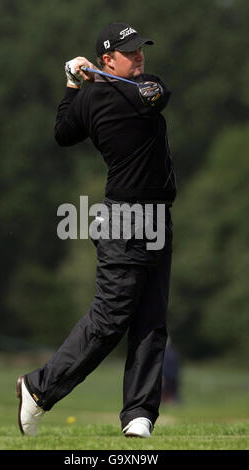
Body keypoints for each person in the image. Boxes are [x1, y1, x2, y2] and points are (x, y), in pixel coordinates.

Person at [17, 22, 177, 438]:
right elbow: (64, 133)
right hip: (127, 219)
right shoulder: (114, 97)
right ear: (108, 59)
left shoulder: (120, 92)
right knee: (110, 320)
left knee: (151, 320)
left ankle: (139, 413)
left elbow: (67, 127)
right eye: (130, 52)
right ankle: (38, 388)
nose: (139, 57)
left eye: (141, 49)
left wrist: (74, 85)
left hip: (156, 216)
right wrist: (79, 83)